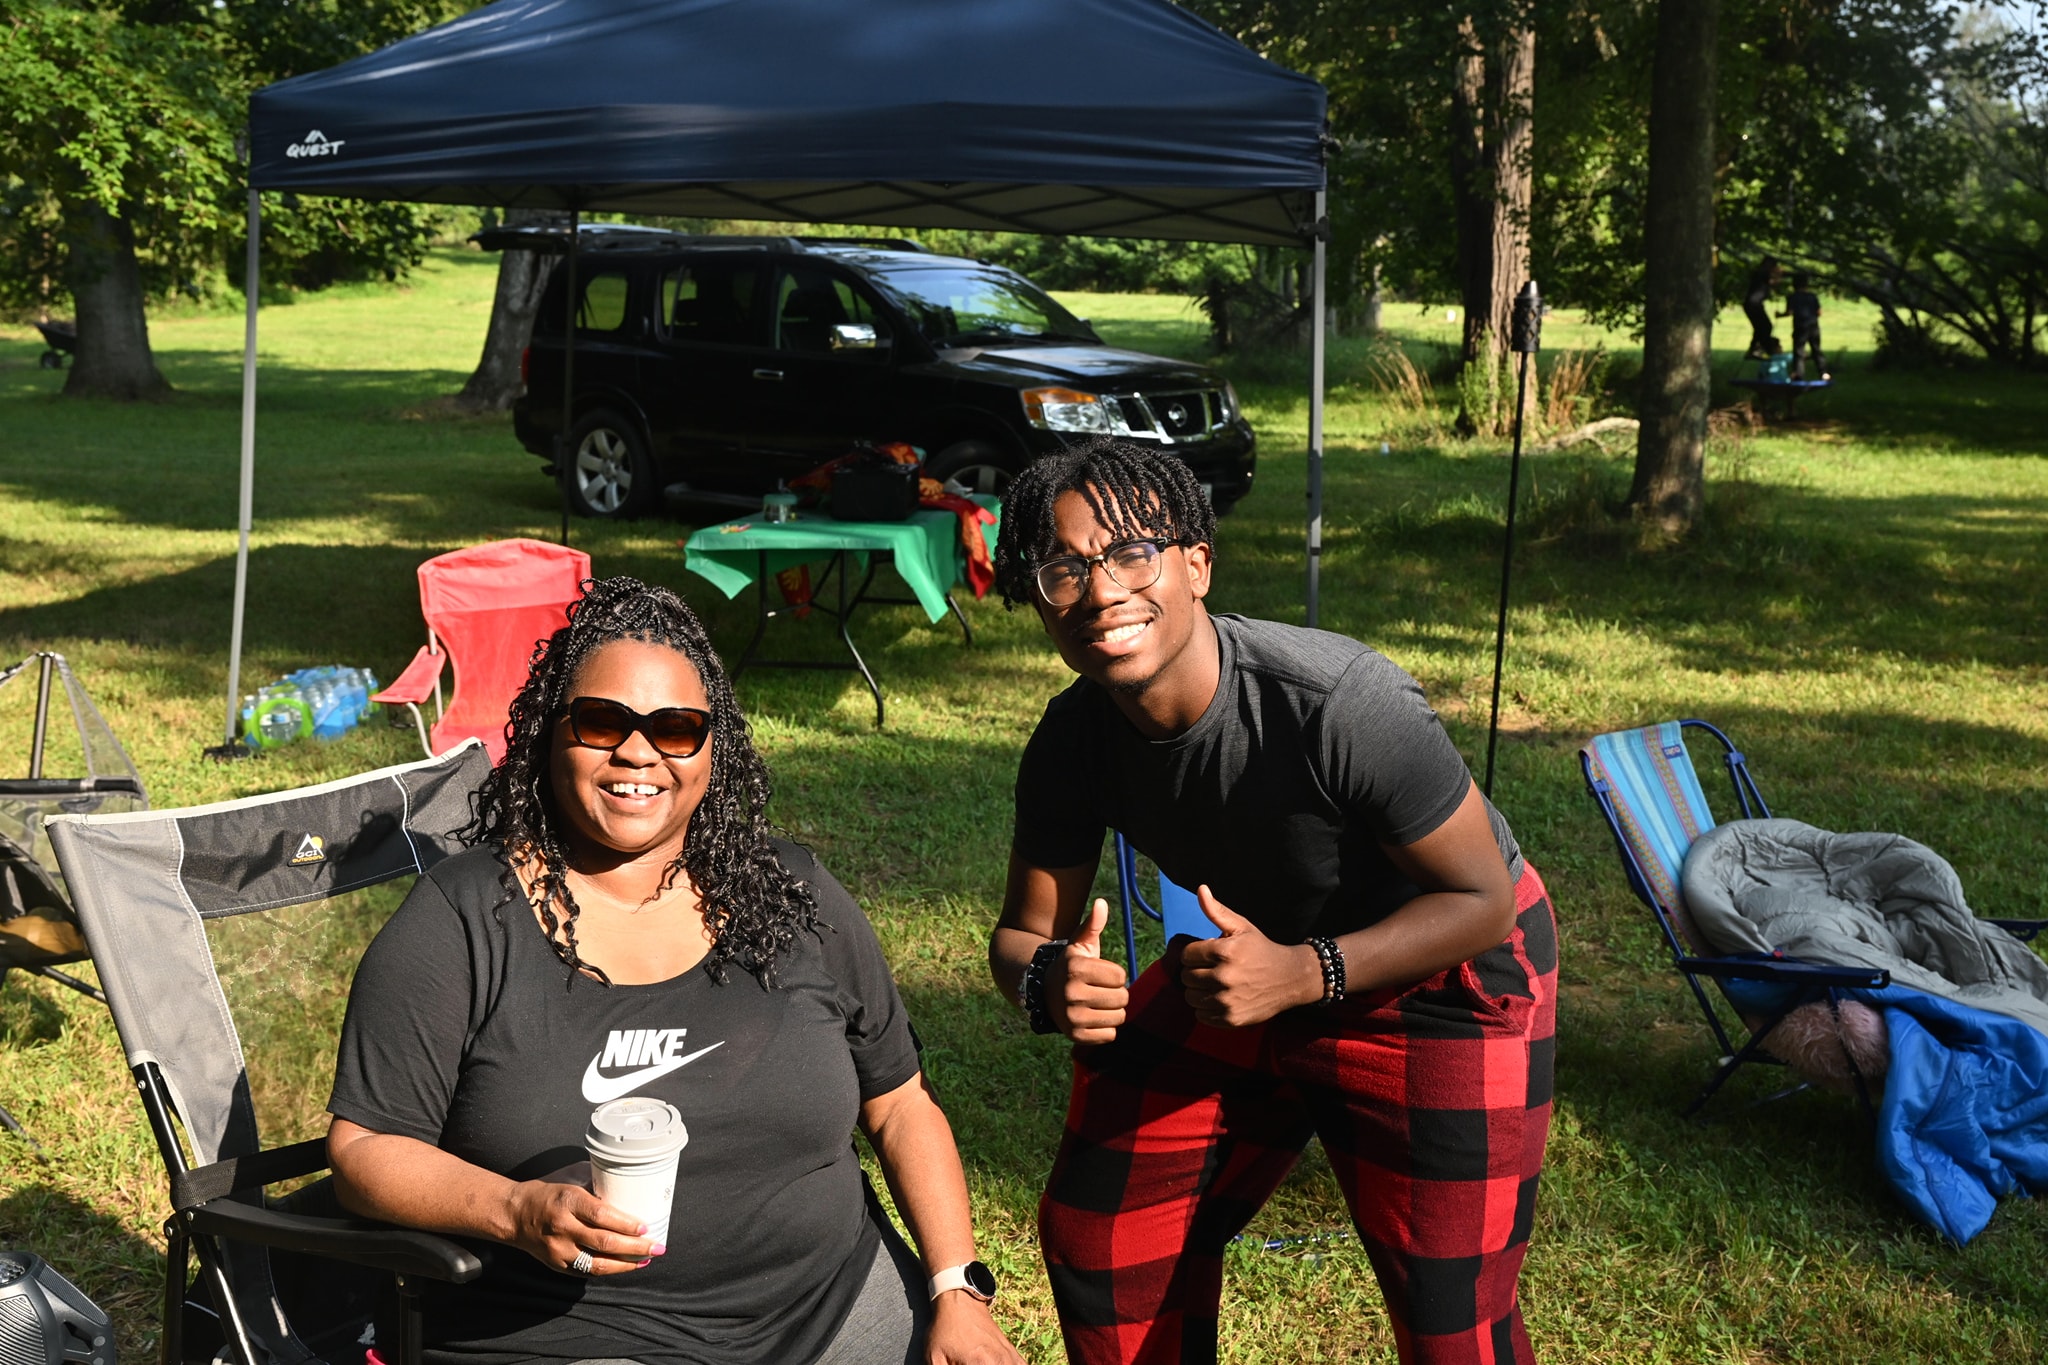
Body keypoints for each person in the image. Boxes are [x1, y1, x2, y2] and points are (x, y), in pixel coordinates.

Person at [327, 577, 1021, 1365]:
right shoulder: (462, 920)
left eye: (676, 728)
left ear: (711, 749)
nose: (638, 751)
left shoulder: (790, 894)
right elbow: (364, 1149)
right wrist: (517, 1210)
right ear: (550, 735)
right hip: (578, 1338)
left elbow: (899, 1103)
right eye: (602, 721)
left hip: (835, 1307)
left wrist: (956, 1292)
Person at [986, 441, 1557, 1365]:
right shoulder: (1072, 742)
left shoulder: (1338, 702)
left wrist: (1305, 973)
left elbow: (1484, 894)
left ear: (1198, 563)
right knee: (1104, 1233)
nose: (1099, 591)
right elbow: (1020, 937)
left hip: (1443, 969)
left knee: (1453, 1321)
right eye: (1062, 569)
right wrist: (1049, 981)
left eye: (1131, 553)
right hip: (1249, 965)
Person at [1780, 271, 1827, 380]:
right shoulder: (1812, 296)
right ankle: (1823, 372)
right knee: (1816, 349)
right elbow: (1819, 312)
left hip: (1800, 326)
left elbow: (1789, 312)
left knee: (1799, 350)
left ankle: (1798, 374)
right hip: (1813, 326)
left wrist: (1779, 315)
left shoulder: (1792, 297)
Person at [1743, 257, 1783, 359]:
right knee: (1766, 326)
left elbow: (1773, 283)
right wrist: (1778, 275)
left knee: (1761, 327)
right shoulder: (1763, 273)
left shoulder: (1760, 273)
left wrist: (1777, 276)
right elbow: (1773, 282)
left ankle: (1756, 348)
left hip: (1753, 304)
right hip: (1754, 304)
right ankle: (1760, 348)